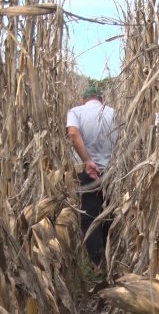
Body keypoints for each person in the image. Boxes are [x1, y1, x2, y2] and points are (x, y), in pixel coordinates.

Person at [66, 85, 117, 265]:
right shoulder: (113, 113)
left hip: (87, 172)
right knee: (108, 213)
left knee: (90, 216)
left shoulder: (75, 111)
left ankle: (97, 262)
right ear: (101, 99)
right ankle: (111, 259)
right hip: (112, 171)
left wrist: (88, 161)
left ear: (84, 100)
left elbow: (72, 133)